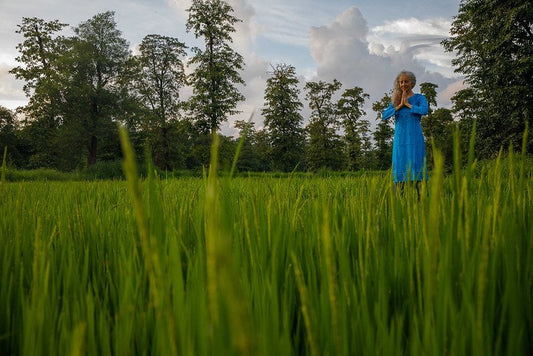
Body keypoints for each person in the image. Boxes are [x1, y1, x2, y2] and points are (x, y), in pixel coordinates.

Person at [382, 70, 428, 192]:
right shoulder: (395, 100)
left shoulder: (419, 98)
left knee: (416, 161)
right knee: (400, 162)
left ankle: (420, 197)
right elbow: (384, 115)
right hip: (400, 138)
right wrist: (399, 106)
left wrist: (408, 105)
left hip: (415, 137)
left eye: (406, 81)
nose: (403, 84)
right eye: (401, 82)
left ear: (412, 83)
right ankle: (400, 198)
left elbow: (424, 110)